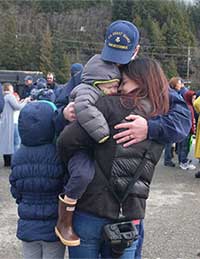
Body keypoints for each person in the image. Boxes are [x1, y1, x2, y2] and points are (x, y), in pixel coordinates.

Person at [57, 57, 170, 259]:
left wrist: (78, 162)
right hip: (130, 214)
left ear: (140, 80)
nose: (119, 88)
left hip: (91, 208)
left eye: (123, 82)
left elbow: (66, 140)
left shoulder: (109, 105)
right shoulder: (162, 118)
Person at [55, 54, 121, 246]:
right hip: (79, 148)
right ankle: (64, 221)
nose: (114, 90)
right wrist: (103, 134)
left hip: (87, 145)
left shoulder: (98, 92)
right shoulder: (85, 92)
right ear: (97, 83)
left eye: (116, 86)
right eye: (110, 86)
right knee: (82, 174)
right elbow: (86, 110)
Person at [9, 101, 66, 259]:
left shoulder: (18, 155)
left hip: (27, 223)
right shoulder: (58, 153)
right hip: (53, 223)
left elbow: (15, 189)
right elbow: (65, 186)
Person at [0, 83, 27, 167]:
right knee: (16, 142)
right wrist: (25, 101)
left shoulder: (3, 97)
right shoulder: (10, 96)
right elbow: (17, 107)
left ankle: (7, 162)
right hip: (12, 122)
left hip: (4, 122)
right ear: (9, 88)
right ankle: (15, 161)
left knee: (6, 143)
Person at [178, 90, 196, 170]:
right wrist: (193, 130)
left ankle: (182, 161)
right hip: (186, 130)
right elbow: (190, 121)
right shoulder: (189, 107)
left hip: (183, 130)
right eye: (193, 98)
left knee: (182, 147)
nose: (194, 100)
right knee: (184, 147)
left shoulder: (185, 106)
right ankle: (183, 162)